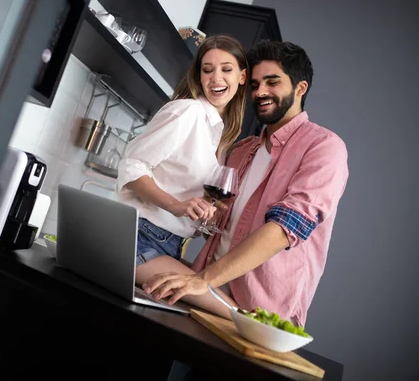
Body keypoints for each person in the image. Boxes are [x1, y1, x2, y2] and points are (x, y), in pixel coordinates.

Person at [143, 40, 349, 326]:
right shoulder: (241, 150)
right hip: (206, 296)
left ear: (300, 88)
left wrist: (203, 279)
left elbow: (283, 231)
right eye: (254, 85)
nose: (261, 92)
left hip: (259, 316)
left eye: (272, 82)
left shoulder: (324, 147)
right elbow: (220, 229)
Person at [115, 35, 248, 318]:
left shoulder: (221, 136)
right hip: (139, 236)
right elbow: (133, 166)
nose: (216, 78)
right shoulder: (187, 112)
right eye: (207, 69)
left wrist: (205, 211)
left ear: (242, 76)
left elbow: (185, 188)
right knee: (232, 314)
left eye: (226, 69)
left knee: (229, 309)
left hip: (168, 243)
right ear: (199, 76)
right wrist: (176, 206)